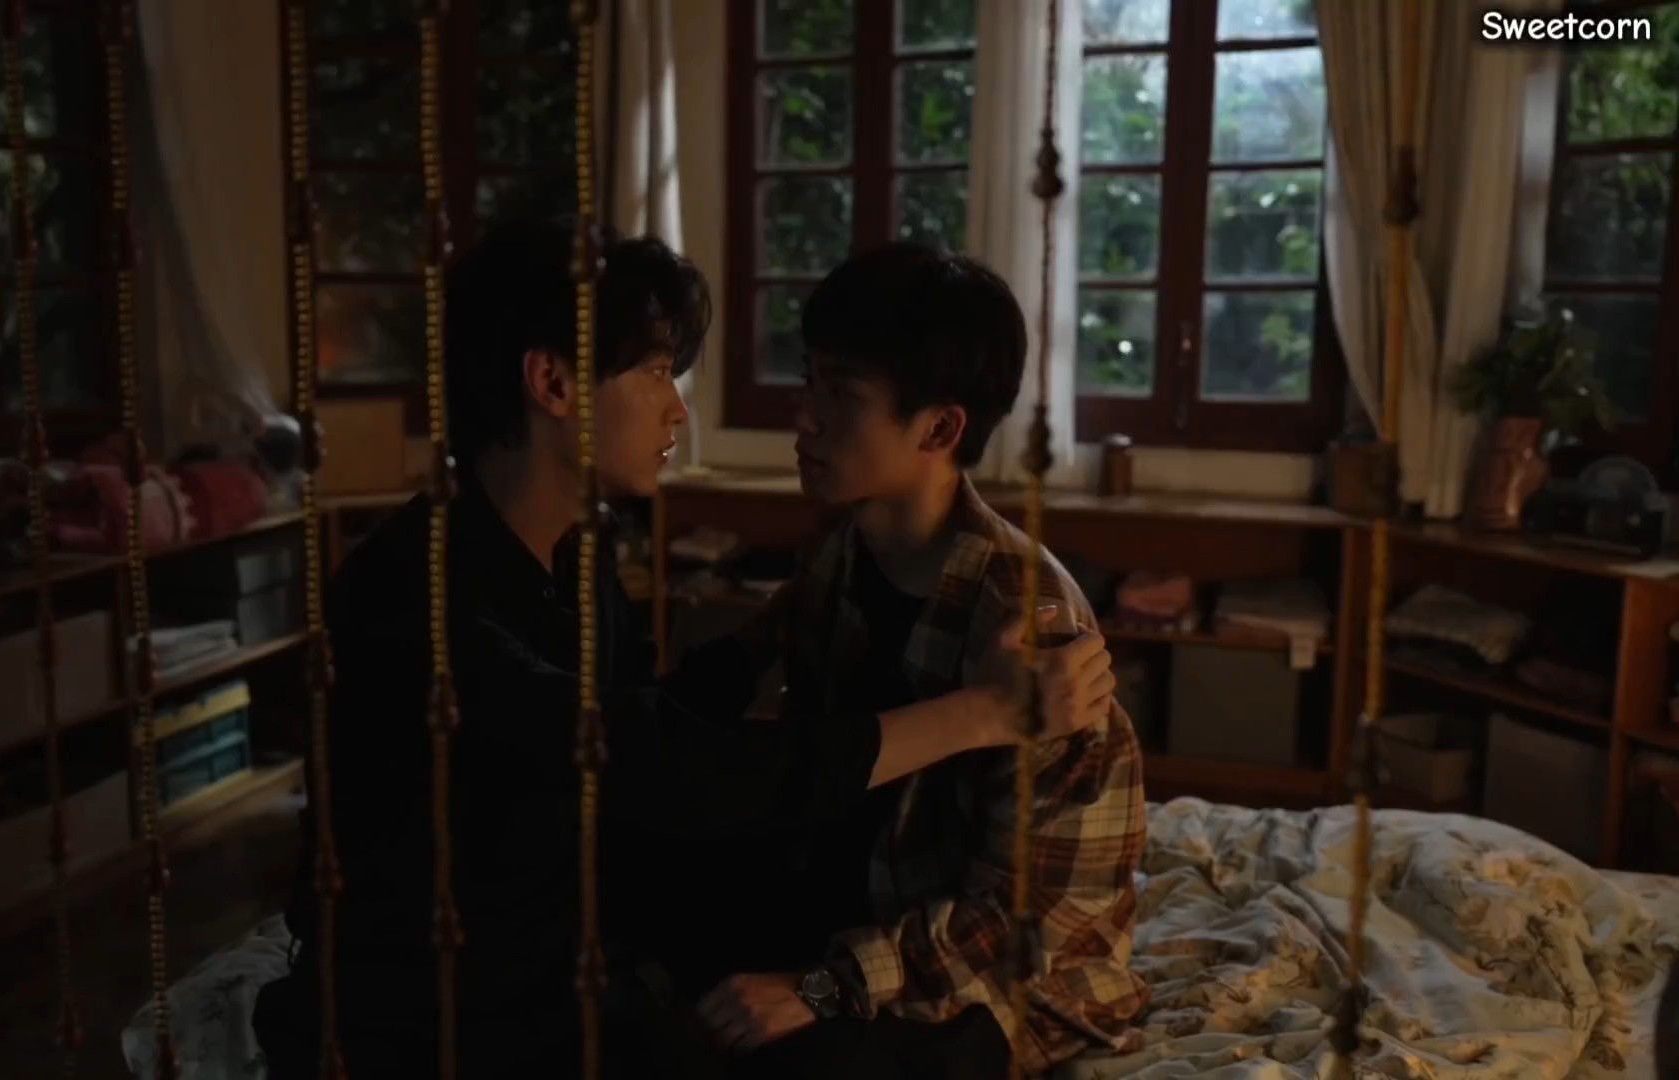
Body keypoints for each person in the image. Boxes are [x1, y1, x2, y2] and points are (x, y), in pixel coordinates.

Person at [250, 221, 1087, 1080]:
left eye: (837, 392)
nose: (679, 410)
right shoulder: (413, 599)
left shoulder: (578, 550)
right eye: (655, 373)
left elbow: (657, 714)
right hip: (451, 998)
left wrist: (766, 643)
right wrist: (982, 713)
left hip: (577, 938)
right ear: (552, 383)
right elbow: (661, 764)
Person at [685, 243, 1150, 1078]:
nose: (804, 418)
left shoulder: (1028, 629)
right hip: (863, 916)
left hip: (1003, 984)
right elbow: (737, 693)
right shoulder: (842, 552)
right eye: (808, 382)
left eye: (841, 394)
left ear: (939, 428)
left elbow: (1019, 923)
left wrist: (822, 988)